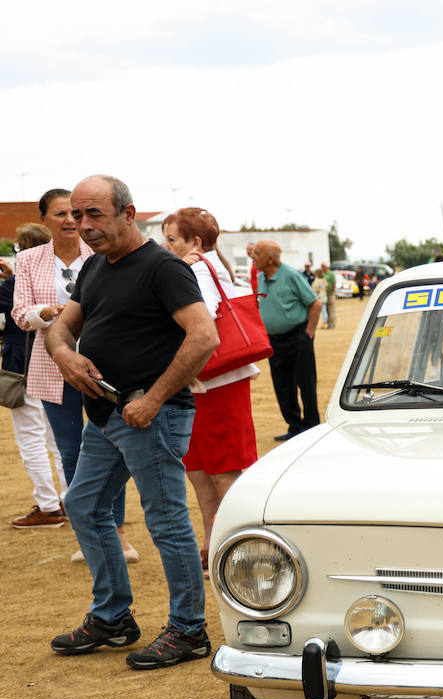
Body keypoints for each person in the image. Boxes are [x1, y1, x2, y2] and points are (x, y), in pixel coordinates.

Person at [45, 175, 218, 668]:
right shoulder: (96, 266)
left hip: (149, 416)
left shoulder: (162, 268)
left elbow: (203, 337)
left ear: (128, 212)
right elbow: (62, 327)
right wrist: (65, 356)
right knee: (83, 504)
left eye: (95, 214)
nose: (83, 225)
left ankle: (189, 631)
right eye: (77, 215)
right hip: (105, 413)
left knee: (166, 522)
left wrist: (155, 398)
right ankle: (113, 617)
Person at [10, 188, 136, 559]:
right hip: (52, 365)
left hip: (104, 364)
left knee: (113, 447)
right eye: (61, 214)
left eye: (75, 214)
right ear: (45, 220)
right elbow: (20, 313)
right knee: (70, 451)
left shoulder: (101, 253)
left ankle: (118, 533)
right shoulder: (30, 259)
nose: (70, 221)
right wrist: (48, 313)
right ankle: (90, 535)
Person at [161, 207, 260, 571]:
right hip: (203, 382)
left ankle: (239, 545)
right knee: (201, 467)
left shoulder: (199, 269)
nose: (164, 246)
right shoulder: (198, 267)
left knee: (223, 468)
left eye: (171, 239)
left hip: (217, 381)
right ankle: (213, 543)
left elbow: (202, 316)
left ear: (195, 243)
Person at [3, 224, 67, 529]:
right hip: (55, 363)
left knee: (31, 439)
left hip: (23, 366)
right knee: (58, 440)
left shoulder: (15, 283)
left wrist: (8, 279)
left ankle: (48, 505)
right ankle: (69, 500)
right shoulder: (52, 279)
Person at [254, 239, 322, 440]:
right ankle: (294, 427)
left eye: (257, 254)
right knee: (282, 385)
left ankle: (311, 428)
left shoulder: (291, 275)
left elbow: (315, 304)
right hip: (274, 341)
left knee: (306, 384)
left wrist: (308, 334)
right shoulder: (260, 278)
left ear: (270, 259)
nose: (253, 258)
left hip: (298, 337)